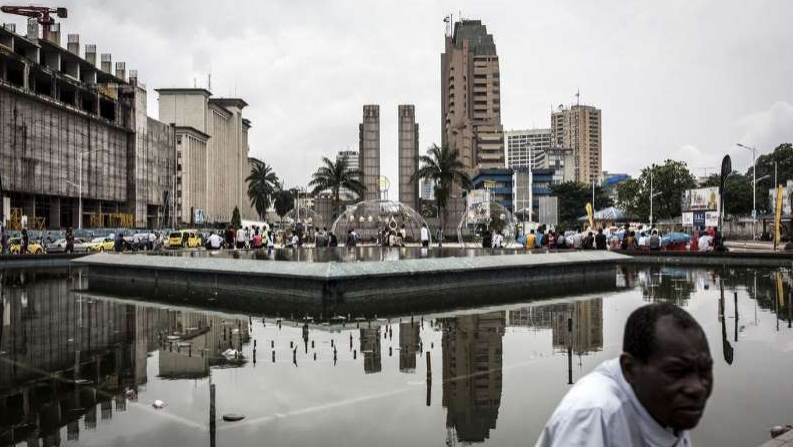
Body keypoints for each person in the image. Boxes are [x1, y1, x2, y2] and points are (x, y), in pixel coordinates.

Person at [535, 302, 712, 447]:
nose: (697, 388)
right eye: (676, 372)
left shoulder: (670, 409)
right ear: (629, 369)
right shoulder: (594, 414)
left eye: (705, 370)